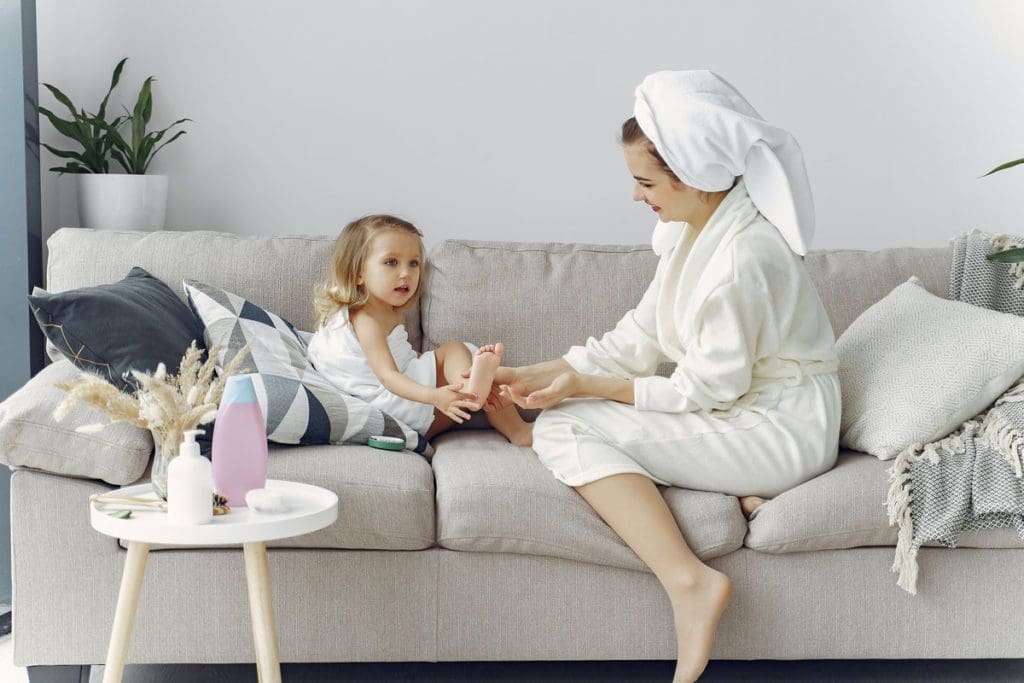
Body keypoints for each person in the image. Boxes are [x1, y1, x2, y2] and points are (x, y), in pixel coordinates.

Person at [485, 71, 841, 682]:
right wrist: (536, 373)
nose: (635, 196)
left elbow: (703, 390)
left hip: (779, 426)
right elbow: (639, 338)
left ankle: (690, 582)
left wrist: (582, 389)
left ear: (696, 178)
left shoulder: (742, 258)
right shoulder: (691, 233)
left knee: (566, 431)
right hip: (740, 410)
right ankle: (735, 491)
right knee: (565, 413)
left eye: (645, 181)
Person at [308, 214, 533, 445]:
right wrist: (434, 396)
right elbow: (387, 376)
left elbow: (400, 357)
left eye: (413, 263)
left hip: (409, 404)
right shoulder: (366, 319)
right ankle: (477, 394)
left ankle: (482, 395)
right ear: (358, 273)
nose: (406, 273)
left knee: (466, 353)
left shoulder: (387, 309)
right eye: (391, 262)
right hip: (399, 409)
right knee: (455, 350)